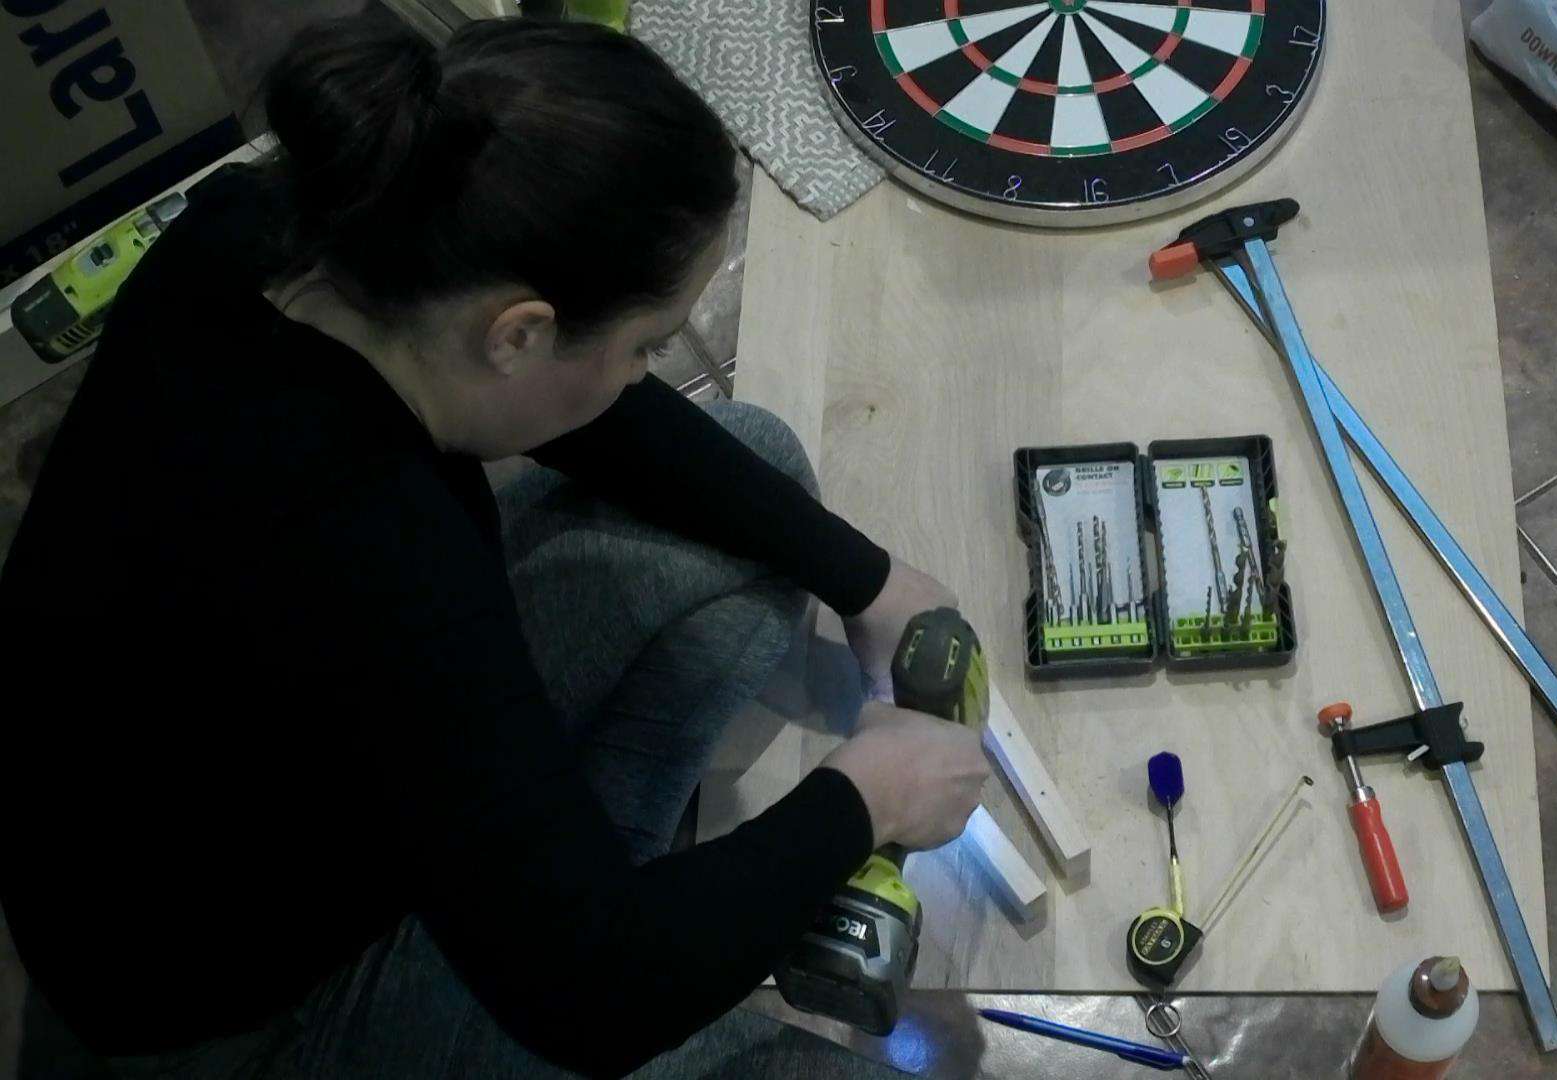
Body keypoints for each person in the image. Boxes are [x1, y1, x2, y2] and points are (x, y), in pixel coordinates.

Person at [0, 14, 991, 1079]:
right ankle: (615, 903)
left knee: (753, 467)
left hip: (253, 806)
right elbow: (588, 1002)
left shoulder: (275, 230)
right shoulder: (380, 559)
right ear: (517, 332)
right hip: (246, 1018)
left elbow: (600, 413)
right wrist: (864, 798)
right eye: (644, 345)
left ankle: (608, 889)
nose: (641, 371)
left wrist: (868, 579)